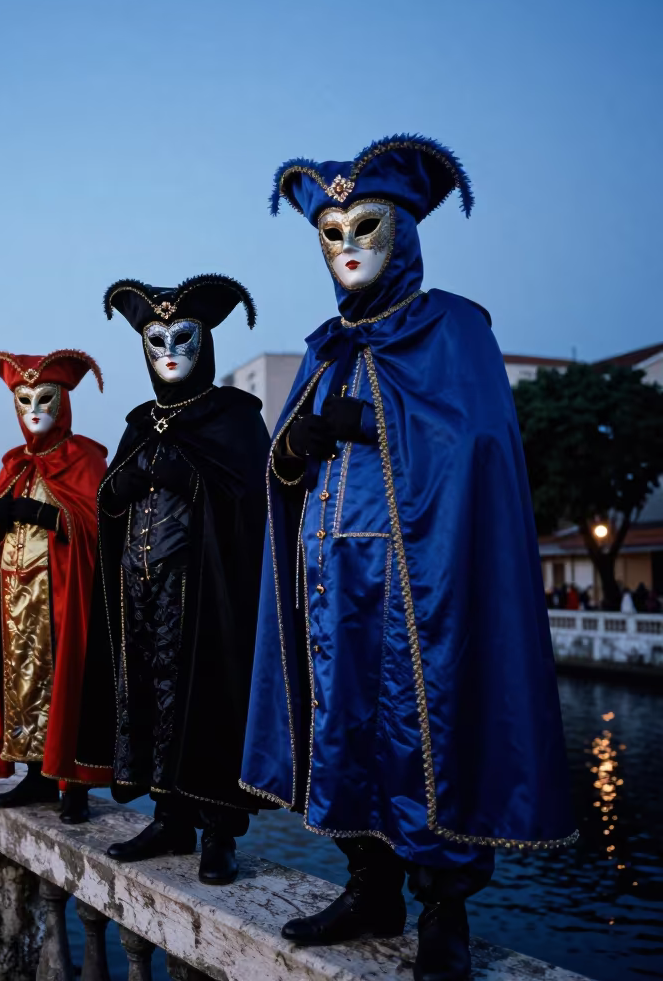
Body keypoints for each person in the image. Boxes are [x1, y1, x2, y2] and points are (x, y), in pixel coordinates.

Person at [240, 135, 576, 981]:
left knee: (427, 738)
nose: (347, 244)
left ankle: (444, 913)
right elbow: (284, 471)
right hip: (330, 585)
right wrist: (298, 444)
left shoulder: (453, 328)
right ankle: (369, 887)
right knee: (344, 734)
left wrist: (362, 423)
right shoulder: (322, 348)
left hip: (420, 583)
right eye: (330, 231)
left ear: (406, 232)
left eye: (366, 225)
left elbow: (475, 444)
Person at [76, 274, 271, 886]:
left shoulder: (234, 417)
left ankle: (218, 830)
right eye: (156, 338)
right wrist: (123, 487)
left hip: (206, 595)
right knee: (150, 700)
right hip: (141, 596)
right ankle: (170, 816)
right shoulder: (140, 422)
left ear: (205, 342)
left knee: (208, 701)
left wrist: (193, 481)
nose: (169, 350)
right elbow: (110, 502)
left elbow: (254, 501)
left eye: (182, 337)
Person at [0, 350, 111, 824]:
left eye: (45, 398)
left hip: (62, 599)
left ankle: (74, 786)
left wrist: (49, 516)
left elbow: (100, 526)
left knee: (67, 685)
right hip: (13, 600)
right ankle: (35, 773)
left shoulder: (84, 458)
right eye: (24, 399)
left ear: (63, 402)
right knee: (20, 683)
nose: (34, 408)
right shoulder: (14, 465)